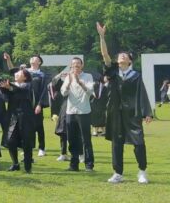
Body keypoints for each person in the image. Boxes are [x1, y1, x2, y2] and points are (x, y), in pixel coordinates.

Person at [97, 22, 153, 184]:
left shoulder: (135, 75)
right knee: (116, 144)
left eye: (124, 56)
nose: (120, 57)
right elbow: (105, 55)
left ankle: (142, 171)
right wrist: (102, 36)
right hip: (115, 112)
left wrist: (147, 112)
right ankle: (118, 173)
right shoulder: (113, 72)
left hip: (132, 113)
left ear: (129, 60)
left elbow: (142, 93)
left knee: (139, 143)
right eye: (119, 56)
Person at [5, 52, 49, 157]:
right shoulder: (24, 72)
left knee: (39, 126)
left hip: (36, 104)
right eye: (32, 57)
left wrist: (40, 104)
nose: (32, 59)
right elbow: (13, 71)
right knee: (26, 127)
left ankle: (41, 147)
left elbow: (44, 91)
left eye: (35, 58)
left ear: (39, 62)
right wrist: (8, 59)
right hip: (25, 105)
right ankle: (27, 147)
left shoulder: (42, 75)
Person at [60, 57, 95, 172]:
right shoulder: (68, 77)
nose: (76, 66)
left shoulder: (88, 76)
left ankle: (89, 165)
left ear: (82, 65)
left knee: (86, 139)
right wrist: (69, 81)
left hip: (84, 112)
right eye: (74, 64)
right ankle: (73, 165)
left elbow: (90, 92)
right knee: (72, 139)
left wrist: (80, 82)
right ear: (71, 66)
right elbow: (63, 93)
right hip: (71, 111)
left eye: (78, 64)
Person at [0, 68, 34, 173]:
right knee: (10, 140)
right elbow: (1, 86)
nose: (16, 75)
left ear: (25, 77)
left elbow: (18, 90)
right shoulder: (12, 86)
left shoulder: (28, 86)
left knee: (26, 142)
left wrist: (9, 87)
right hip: (13, 117)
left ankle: (28, 167)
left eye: (19, 74)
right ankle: (15, 163)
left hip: (25, 118)